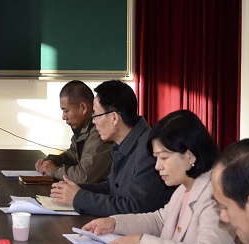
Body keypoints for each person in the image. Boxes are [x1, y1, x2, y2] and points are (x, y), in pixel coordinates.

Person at [82, 110, 246, 244]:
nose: (157, 166)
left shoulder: (217, 194)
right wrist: (113, 223)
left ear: (190, 155)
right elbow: (159, 221)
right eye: (156, 158)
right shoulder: (184, 187)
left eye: (164, 157)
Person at [50, 80, 172, 216]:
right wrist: (76, 189)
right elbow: (112, 188)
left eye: (95, 115)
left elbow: (134, 208)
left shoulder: (149, 149)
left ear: (114, 117)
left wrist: (79, 197)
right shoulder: (122, 142)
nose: (93, 121)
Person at [35, 80, 112, 184]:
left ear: (83, 108)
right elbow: (72, 156)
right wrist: (51, 161)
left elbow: (84, 176)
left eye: (66, 111)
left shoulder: (100, 132)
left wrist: (54, 171)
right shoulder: (83, 128)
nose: (63, 117)